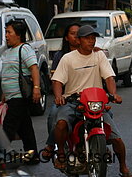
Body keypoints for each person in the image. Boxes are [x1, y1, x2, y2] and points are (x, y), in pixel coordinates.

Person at [52, 25, 132, 176]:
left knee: (117, 139)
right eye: (87, 38)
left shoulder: (99, 56)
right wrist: (58, 96)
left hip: (95, 103)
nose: (91, 41)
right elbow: (57, 81)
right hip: (73, 101)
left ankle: (123, 167)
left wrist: (113, 94)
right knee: (61, 123)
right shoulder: (68, 58)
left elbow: (109, 77)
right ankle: (61, 153)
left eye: (93, 38)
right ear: (79, 40)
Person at [0, 20, 41, 162]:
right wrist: (4, 94)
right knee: (25, 127)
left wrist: (36, 88)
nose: (6, 35)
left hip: (19, 96)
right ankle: (33, 155)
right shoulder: (8, 52)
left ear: (18, 35)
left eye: (9, 32)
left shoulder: (24, 49)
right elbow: (7, 73)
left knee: (8, 127)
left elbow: (34, 68)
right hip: (11, 97)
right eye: (6, 32)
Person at [42, 22, 81, 159]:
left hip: (85, 97)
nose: (76, 36)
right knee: (53, 114)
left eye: (78, 33)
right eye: (72, 33)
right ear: (66, 37)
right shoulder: (61, 56)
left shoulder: (91, 53)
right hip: (66, 96)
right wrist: (60, 96)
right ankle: (52, 145)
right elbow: (56, 80)